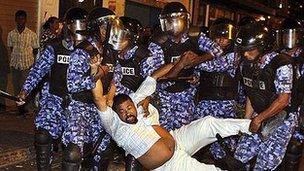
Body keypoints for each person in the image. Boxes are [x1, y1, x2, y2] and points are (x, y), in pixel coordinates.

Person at [92, 63, 252, 171]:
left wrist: (180, 64)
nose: (128, 112)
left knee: (207, 123)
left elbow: (155, 76)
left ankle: (252, 126)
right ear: (116, 114)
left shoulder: (136, 99)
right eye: (122, 111)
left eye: (129, 108)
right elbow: (99, 99)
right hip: (169, 164)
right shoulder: (115, 126)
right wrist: (96, 73)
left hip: (177, 139)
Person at [16, 7, 85, 170]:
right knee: (42, 136)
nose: (79, 27)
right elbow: (38, 70)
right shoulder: (54, 47)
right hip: (55, 98)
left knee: (73, 153)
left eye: (83, 23)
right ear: (67, 25)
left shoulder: (92, 50)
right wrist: (25, 91)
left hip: (80, 104)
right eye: (76, 23)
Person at [233, 22, 298, 170]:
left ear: (263, 47)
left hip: (282, 117)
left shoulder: (281, 64)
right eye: (243, 50)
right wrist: (246, 121)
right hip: (260, 113)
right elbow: (251, 93)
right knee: (238, 160)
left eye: (250, 50)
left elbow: (283, 101)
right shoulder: (245, 64)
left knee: (264, 165)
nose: (245, 54)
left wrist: (258, 119)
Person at [153, 2, 223, 131]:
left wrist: (196, 61)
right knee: (163, 133)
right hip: (165, 96)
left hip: (186, 93)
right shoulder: (158, 43)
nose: (174, 25)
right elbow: (159, 80)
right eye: (170, 21)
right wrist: (180, 64)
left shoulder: (194, 36)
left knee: (184, 133)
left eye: (177, 20)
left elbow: (217, 50)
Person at [62, 7, 114, 170]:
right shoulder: (82, 51)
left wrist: (111, 97)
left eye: (112, 26)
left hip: (101, 107)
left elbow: (116, 78)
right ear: (95, 28)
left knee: (102, 153)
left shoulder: (111, 50)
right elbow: (73, 84)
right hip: (80, 107)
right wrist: (96, 75)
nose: (110, 31)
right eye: (105, 26)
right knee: (74, 153)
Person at [193, 18, 242, 161]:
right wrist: (195, 78)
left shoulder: (235, 55)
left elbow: (214, 66)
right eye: (217, 38)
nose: (220, 41)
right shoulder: (206, 53)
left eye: (225, 38)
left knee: (223, 144)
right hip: (205, 101)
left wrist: (191, 61)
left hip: (224, 104)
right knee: (197, 138)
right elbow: (200, 74)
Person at [277, 18, 304, 170]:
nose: (289, 39)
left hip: (297, 108)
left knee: (294, 147)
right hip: (278, 108)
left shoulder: (302, 57)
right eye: (286, 35)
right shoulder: (276, 57)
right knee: (275, 151)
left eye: (292, 35)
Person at [7, 10, 39, 115]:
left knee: (26, 87)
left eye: (22, 19)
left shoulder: (32, 34)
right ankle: (20, 109)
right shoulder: (11, 34)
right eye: (18, 19)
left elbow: (35, 49)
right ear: (15, 20)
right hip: (15, 65)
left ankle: (28, 109)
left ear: (25, 20)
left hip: (27, 65)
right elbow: (11, 48)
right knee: (16, 88)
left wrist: (32, 63)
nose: (20, 21)